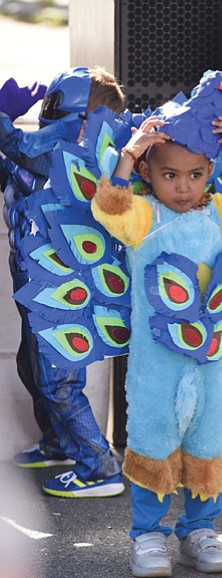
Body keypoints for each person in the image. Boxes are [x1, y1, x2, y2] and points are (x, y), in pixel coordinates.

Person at [90, 69, 222, 577]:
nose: (183, 187)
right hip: (154, 362)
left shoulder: (220, 215)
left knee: (206, 441)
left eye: (195, 174)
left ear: (211, 171)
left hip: (208, 358)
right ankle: (148, 535)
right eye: (168, 175)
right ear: (150, 176)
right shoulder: (141, 217)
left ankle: (200, 530)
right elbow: (107, 204)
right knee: (153, 438)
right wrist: (131, 152)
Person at [3, 66, 127, 498]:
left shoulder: (69, 152)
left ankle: (100, 465)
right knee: (30, 367)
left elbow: (16, 144)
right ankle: (59, 442)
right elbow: (12, 164)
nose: (45, 111)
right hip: (32, 285)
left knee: (58, 382)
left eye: (54, 104)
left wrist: (0, 114)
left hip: (62, 294)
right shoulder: (40, 156)